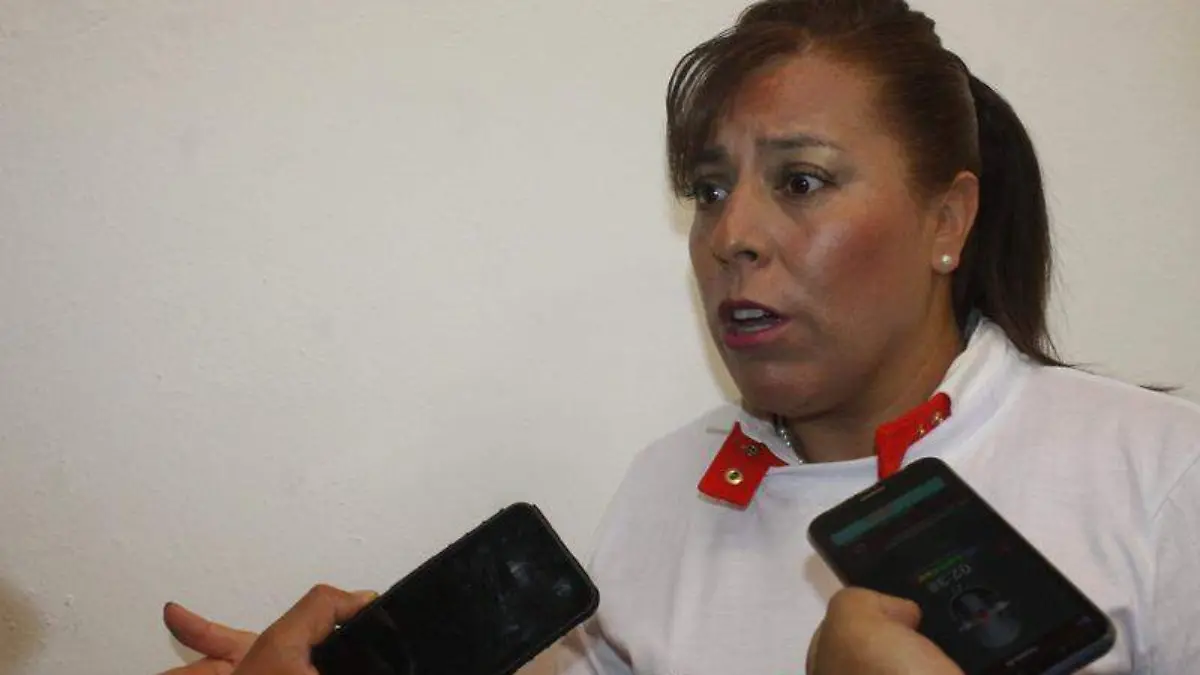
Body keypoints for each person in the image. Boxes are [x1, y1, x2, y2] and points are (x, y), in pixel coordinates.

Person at [158, 0, 1200, 673]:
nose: (730, 234)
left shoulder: (1159, 475)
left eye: (801, 181)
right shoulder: (666, 488)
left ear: (948, 220)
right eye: (708, 189)